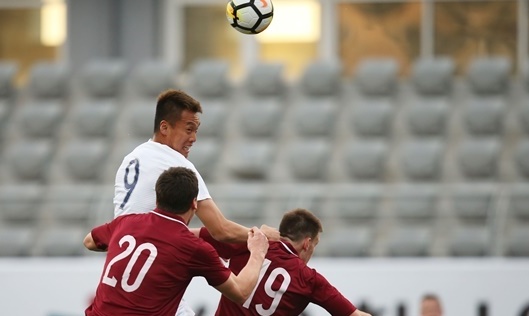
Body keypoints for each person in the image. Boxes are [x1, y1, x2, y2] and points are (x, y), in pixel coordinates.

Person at [113, 89, 278, 315]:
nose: (194, 138)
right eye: (188, 129)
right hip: (152, 277)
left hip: (119, 272)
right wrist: (260, 238)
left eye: (196, 130)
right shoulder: (175, 164)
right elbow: (221, 230)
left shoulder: (131, 158)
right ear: (165, 128)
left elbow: (101, 238)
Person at [84, 166, 269, 316]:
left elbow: (89, 242)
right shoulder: (193, 248)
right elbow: (241, 291)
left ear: (157, 198)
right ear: (194, 204)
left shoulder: (126, 222)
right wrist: (258, 252)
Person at [193, 208, 372, 316]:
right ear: (307, 243)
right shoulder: (309, 280)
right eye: (314, 245)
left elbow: (189, 235)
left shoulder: (249, 242)